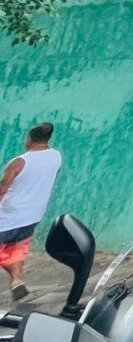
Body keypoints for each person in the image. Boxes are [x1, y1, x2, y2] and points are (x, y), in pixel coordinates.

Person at [0, 123, 62, 303]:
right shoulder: (56, 157)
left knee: (9, 251)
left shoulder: (19, 162)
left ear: (30, 138)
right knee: (16, 250)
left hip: (8, 216)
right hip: (32, 216)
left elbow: (3, 189)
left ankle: (16, 280)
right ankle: (17, 281)